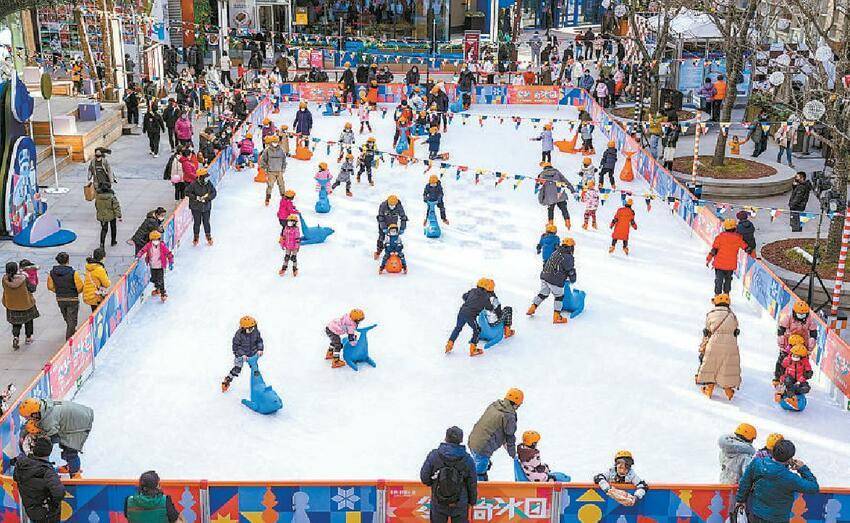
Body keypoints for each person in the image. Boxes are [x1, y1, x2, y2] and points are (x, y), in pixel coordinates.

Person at [735, 439, 819, 522]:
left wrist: (740, 500)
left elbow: (745, 482)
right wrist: (802, 468)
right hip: (778, 519)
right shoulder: (790, 478)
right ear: (790, 458)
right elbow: (814, 487)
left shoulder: (757, 463)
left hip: (756, 515)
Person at [18, 398, 94, 478]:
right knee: (65, 445)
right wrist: (24, 435)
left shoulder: (48, 420)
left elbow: (52, 438)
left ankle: (75, 474)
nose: (27, 419)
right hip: (79, 414)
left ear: (34, 414)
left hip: (80, 424)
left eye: (28, 417)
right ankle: (71, 466)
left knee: (70, 451)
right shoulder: (43, 406)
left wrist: (38, 445)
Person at [420, 426, 478, 523]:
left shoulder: (434, 455)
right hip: (460, 502)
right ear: (461, 440)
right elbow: (472, 483)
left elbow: (424, 478)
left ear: (446, 438)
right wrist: (472, 501)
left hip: (438, 501)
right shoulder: (468, 459)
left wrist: (436, 484)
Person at [468, 388, 523, 480]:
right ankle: (479, 491)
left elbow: (496, 427)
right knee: (479, 473)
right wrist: (513, 454)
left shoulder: (495, 405)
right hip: (483, 448)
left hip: (473, 440)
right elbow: (510, 436)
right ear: (516, 404)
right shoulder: (509, 415)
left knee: (479, 465)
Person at [696, 293, 741, 399]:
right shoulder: (732, 315)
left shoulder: (711, 314)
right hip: (730, 345)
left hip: (714, 343)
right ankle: (728, 391)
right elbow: (736, 330)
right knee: (726, 367)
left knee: (711, 366)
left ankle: (709, 389)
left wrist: (703, 345)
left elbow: (707, 332)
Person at [13, 436, 66, 523]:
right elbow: (60, 493)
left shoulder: (21, 464)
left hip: (31, 510)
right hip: (46, 513)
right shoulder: (47, 471)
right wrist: (52, 504)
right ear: (49, 452)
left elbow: (16, 477)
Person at [526, 237, 576, 324]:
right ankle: (556, 317)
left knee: (543, 293)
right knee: (559, 296)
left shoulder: (556, 252)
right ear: (571, 247)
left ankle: (532, 307)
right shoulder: (568, 257)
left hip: (545, 276)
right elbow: (570, 270)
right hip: (555, 280)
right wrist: (572, 279)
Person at [445, 278, 497, 356]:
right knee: (477, 330)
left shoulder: (473, 290)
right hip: (470, 316)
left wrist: (471, 300)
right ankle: (473, 349)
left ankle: (449, 345)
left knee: (458, 328)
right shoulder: (486, 297)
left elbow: (464, 296)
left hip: (461, 312)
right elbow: (489, 308)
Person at [706, 218, 751, 295]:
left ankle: (717, 295)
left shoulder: (720, 237)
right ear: (735, 228)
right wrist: (750, 250)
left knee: (718, 280)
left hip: (719, 264)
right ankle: (726, 294)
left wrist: (708, 259)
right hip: (730, 265)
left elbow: (714, 250)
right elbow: (745, 247)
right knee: (728, 280)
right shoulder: (738, 238)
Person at [47, 252, 84, 341]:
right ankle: (69, 338)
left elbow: (50, 286)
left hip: (60, 298)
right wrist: (75, 292)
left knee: (66, 316)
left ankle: (71, 330)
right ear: (68, 260)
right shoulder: (73, 273)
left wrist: (58, 291)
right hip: (72, 298)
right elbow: (80, 287)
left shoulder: (52, 273)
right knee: (72, 318)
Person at [2, 261, 39, 350]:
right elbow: (32, 289)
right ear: (16, 269)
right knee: (29, 321)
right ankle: (28, 338)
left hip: (11, 304)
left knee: (16, 323)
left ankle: (16, 337)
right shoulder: (23, 278)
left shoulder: (4, 279)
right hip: (25, 303)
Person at [222, 316, 264, 391]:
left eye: (252, 328)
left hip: (253, 354)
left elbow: (259, 341)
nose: (251, 330)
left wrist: (260, 349)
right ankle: (228, 380)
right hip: (241, 355)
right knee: (237, 368)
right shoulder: (238, 335)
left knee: (255, 370)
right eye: (249, 329)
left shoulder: (255, 331)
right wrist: (242, 354)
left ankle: (258, 386)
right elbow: (235, 347)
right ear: (243, 329)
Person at [536, 162, 576, 229]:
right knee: (564, 209)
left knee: (550, 210)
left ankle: (550, 224)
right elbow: (566, 181)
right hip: (560, 194)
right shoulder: (557, 172)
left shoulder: (542, 175)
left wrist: (541, 199)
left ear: (544, 168)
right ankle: (568, 223)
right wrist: (573, 190)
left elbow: (540, 188)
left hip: (550, 197)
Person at [138, 231, 174, 302]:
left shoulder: (162, 246)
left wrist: (171, 262)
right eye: (154, 240)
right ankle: (157, 289)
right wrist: (139, 255)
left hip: (160, 266)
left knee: (160, 279)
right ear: (151, 240)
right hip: (152, 265)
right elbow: (143, 250)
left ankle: (163, 293)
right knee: (154, 279)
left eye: (157, 239)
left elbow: (168, 253)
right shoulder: (149, 245)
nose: (155, 241)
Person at [186, 168, 217, 246]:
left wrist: (207, 198)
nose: (207, 178)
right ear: (201, 177)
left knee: (206, 222)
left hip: (206, 207)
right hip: (196, 207)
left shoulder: (208, 183)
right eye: (206, 177)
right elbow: (186, 192)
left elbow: (214, 192)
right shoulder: (193, 184)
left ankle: (208, 236)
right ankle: (196, 237)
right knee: (197, 222)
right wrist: (196, 197)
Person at [374, 195, 408, 260]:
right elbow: (380, 217)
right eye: (391, 205)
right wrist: (383, 228)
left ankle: (394, 252)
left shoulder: (399, 206)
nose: (392, 206)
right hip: (383, 223)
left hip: (393, 225)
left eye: (393, 205)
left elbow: (403, 217)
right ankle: (378, 251)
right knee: (381, 237)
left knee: (394, 238)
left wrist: (402, 228)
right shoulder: (383, 206)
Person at [259, 135, 287, 206]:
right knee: (270, 185)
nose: (275, 143)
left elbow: (284, 160)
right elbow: (262, 160)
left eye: (276, 142)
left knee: (281, 185)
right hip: (271, 171)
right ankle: (267, 199)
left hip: (279, 171)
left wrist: (283, 168)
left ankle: (284, 198)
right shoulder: (267, 150)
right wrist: (265, 167)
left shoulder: (281, 150)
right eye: (274, 142)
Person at [82, 247, 110, 312]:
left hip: (89, 294)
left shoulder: (89, 266)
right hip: (97, 295)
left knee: (94, 311)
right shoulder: (99, 269)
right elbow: (106, 284)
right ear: (102, 258)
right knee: (99, 313)